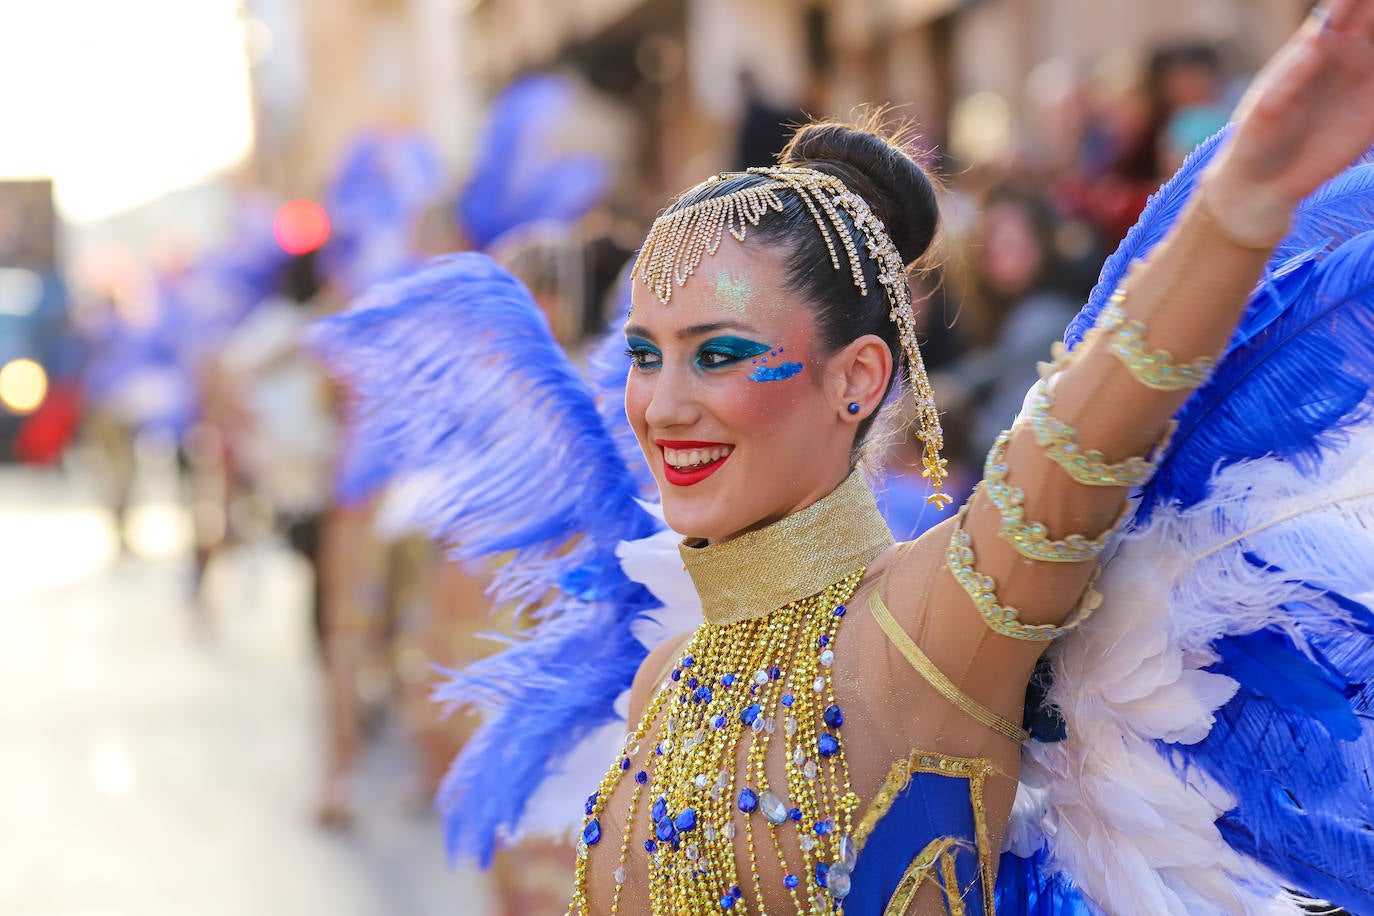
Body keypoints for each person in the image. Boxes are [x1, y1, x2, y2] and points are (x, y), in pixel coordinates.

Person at [314, 5, 1374, 913]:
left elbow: (1079, 439)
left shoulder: (927, 630)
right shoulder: (660, 677)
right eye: (645, 356)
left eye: (718, 355)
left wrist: (1240, 202)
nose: (662, 405)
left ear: (857, 380)